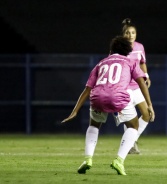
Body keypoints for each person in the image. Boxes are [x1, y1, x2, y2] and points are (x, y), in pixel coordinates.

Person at [61, 36, 155, 175]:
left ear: (111, 50)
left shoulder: (101, 63)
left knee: (93, 125)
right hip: (118, 96)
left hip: (97, 96)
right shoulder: (130, 62)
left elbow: (87, 90)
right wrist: (149, 104)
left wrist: (75, 111)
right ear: (127, 51)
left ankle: (87, 159)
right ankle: (119, 160)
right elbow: (142, 83)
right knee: (133, 126)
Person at [121, 18, 151, 154]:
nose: (130, 35)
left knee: (147, 114)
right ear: (123, 35)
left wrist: (146, 76)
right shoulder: (118, 48)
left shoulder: (140, 47)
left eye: (133, 33)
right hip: (124, 87)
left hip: (137, 86)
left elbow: (142, 63)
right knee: (130, 118)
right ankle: (130, 146)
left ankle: (131, 141)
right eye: (127, 33)